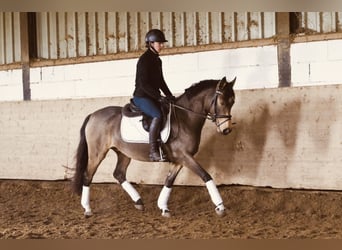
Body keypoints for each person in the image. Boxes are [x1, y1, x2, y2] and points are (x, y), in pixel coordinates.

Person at [132, 29, 176, 162]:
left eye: (162, 43)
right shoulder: (144, 60)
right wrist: (158, 97)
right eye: (160, 43)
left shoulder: (158, 61)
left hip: (152, 96)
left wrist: (170, 96)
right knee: (157, 114)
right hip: (141, 97)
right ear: (151, 43)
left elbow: (161, 81)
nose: (162, 46)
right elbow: (144, 84)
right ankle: (153, 151)